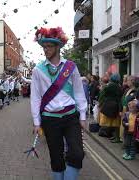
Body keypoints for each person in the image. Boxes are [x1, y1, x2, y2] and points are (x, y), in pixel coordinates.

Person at [31, 27, 87, 180]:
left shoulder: (71, 67)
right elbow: (35, 97)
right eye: (44, 47)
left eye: (49, 46)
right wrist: (36, 122)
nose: (46, 50)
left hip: (70, 117)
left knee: (77, 154)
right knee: (56, 158)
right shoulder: (38, 70)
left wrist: (82, 115)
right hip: (49, 119)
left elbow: (79, 92)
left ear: (58, 47)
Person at [98, 73, 123, 143]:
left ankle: (116, 137)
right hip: (115, 105)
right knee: (115, 123)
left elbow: (104, 92)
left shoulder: (110, 85)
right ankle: (115, 136)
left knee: (115, 123)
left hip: (111, 105)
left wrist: (102, 88)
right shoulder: (118, 86)